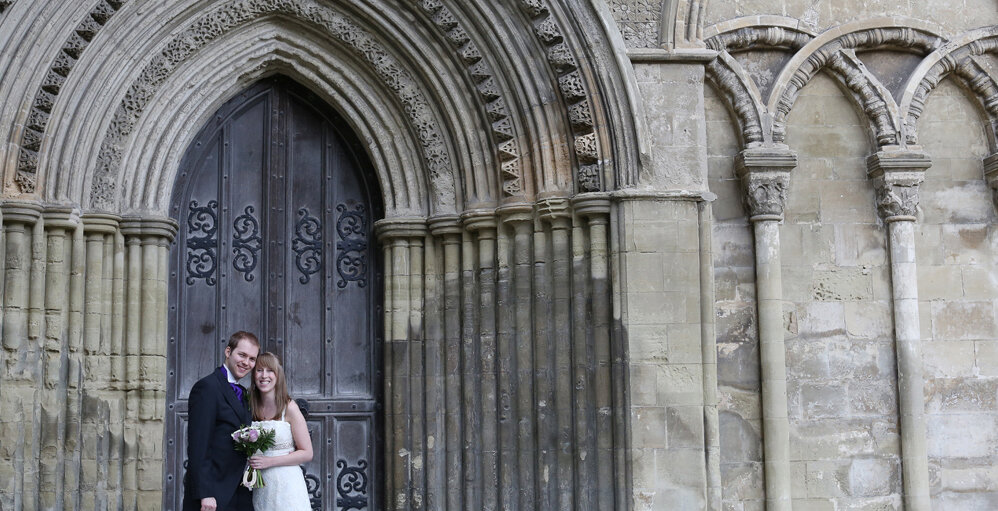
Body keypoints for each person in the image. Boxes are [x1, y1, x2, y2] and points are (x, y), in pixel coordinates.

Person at [183, 331, 260, 511]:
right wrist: (205, 493)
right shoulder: (207, 387)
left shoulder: (245, 394)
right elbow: (198, 445)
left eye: (252, 359)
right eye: (242, 355)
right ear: (228, 352)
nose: (246, 363)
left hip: (239, 491)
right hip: (213, 494)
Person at [246, 352, 313, 510]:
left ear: (278, 375)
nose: (264, 375)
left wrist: (269, 462)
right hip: (261, 487)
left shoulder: (289, 407)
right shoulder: (250, 406)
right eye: (259, 370)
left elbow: (307, 453)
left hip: (287, 485)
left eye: (270, 370)